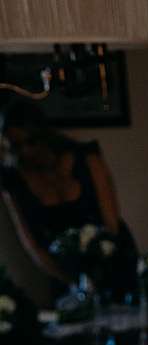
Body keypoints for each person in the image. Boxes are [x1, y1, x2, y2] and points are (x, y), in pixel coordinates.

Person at [0, 99, 140, 296]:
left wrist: (99, 264)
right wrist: (74, 283)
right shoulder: (13, 179)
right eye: (16, 145)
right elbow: (33, 245)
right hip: (66, 272)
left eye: (31, 142)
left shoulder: (86, 157)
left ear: (43, 134)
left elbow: (111, 222)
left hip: (112, 257)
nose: (25, 151)